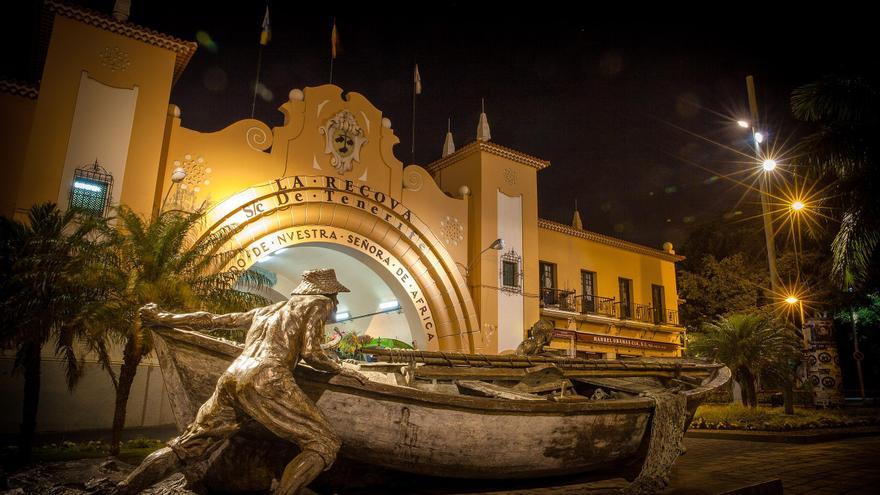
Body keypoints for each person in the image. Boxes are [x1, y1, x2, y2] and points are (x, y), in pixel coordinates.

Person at [115, 268, 367, 495]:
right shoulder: (319, 303)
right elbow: (311, 352)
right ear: (327, 293)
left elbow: (214, 320)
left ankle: (125, 488)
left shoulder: (268, 310)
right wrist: (342, 369)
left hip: (233, 375)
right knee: (324, 442)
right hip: (267, 377)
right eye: (336, 296)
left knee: (187, 447)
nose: (336, 303)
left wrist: (162, 317)